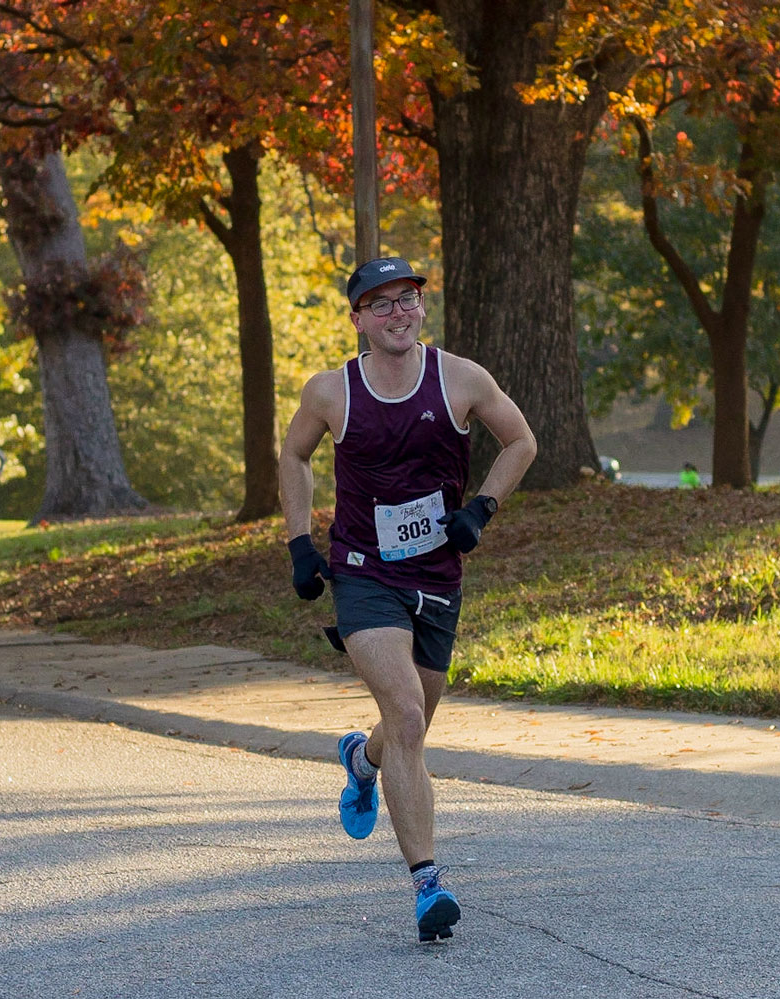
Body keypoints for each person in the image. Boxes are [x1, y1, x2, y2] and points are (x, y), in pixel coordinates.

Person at [278, 257, 536, 943]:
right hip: (363, 571)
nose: (399, 313)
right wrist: (302, 544)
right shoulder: (333, 392)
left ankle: (361, 762)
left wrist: (480, 508)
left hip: (439, 577)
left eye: (409, 300)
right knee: (409, 714)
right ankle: (428, 883)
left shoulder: (461, 378)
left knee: (407, 724)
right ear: (358, 317)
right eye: (382, 303)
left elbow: (521, 440)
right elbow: (294, 455)